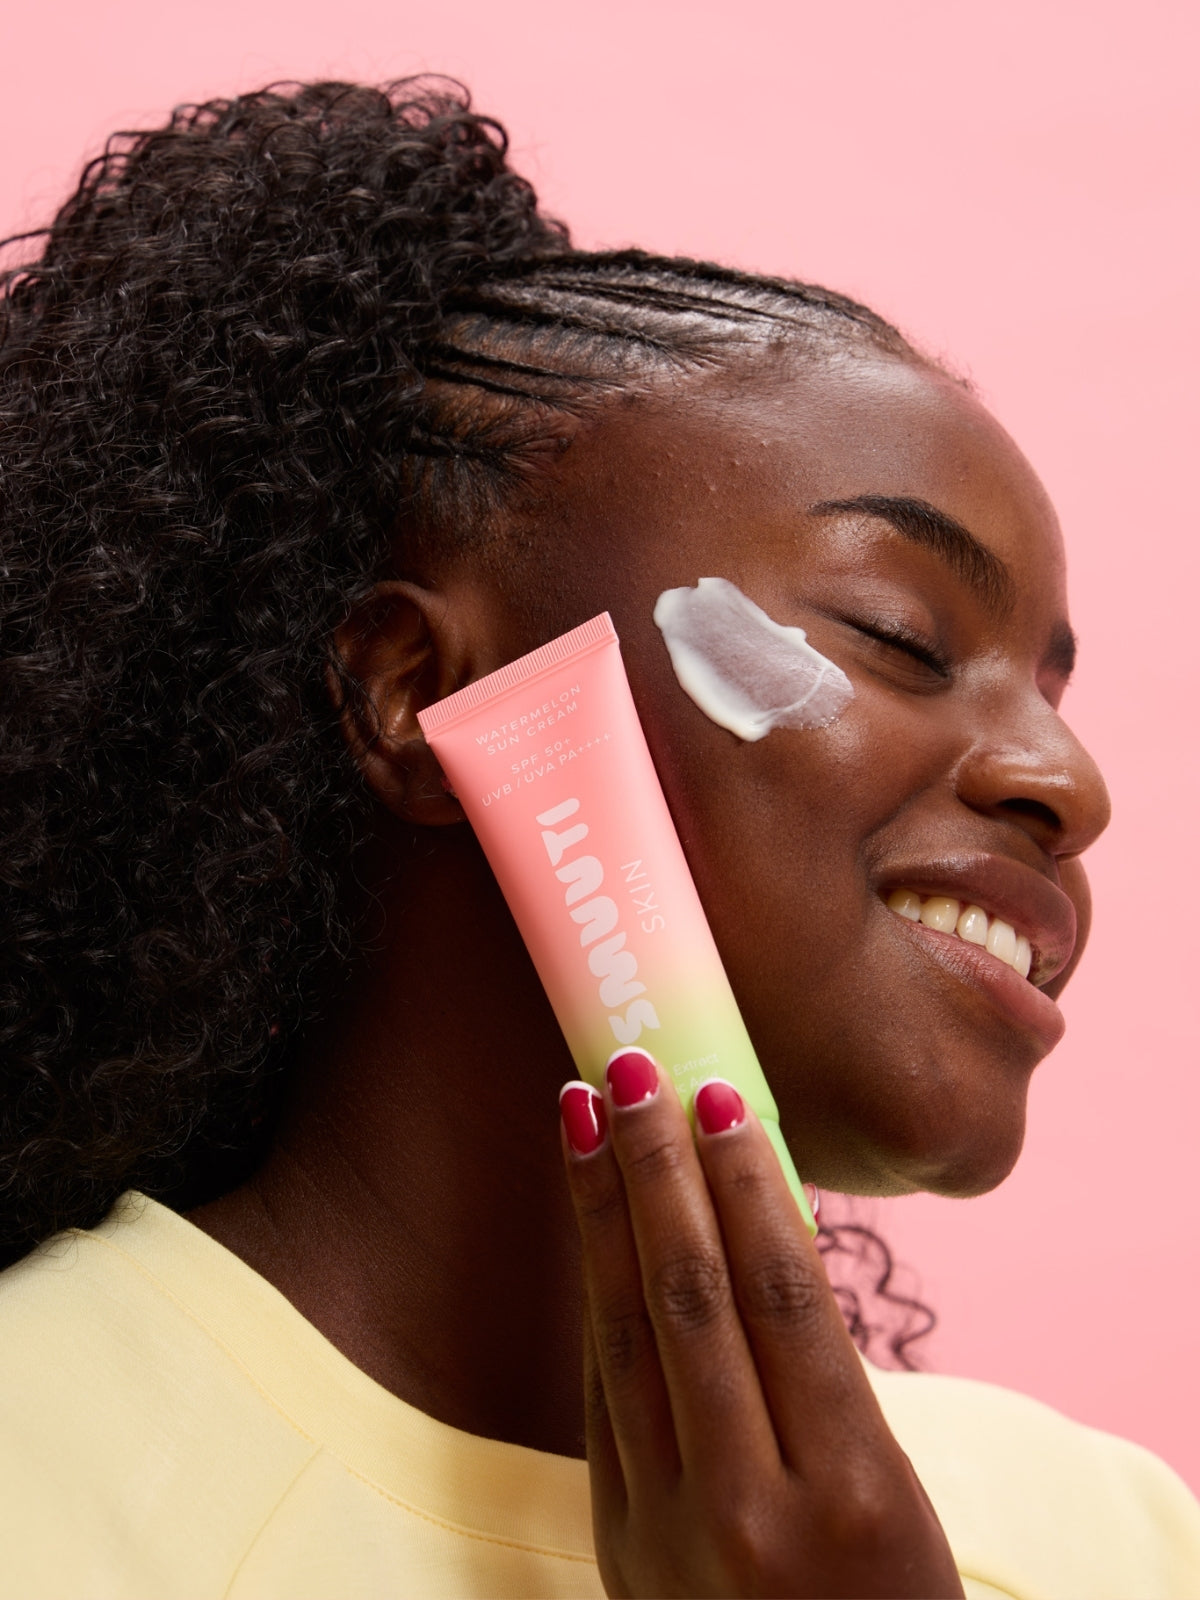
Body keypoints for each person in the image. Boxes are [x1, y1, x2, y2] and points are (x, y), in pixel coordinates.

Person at [0, 78, 1196, 1599]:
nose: (1068, 780)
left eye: (1049, 687)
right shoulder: (39, 1481)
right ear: (418, 691)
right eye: (899, 632)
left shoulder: (1111, 1538)